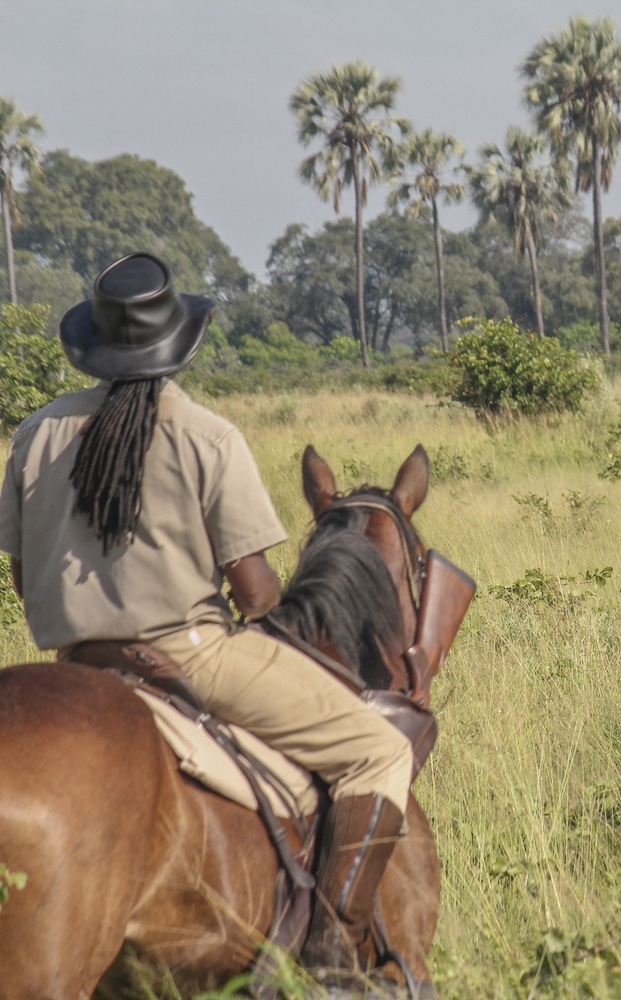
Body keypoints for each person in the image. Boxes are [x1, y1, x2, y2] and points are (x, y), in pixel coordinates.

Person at [0, 252, 412, 988]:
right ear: (177, 342)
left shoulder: (35, 434)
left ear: (94, 343)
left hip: (75, 663)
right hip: (194, 658)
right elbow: (255, 596)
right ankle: (334, 964)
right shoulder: (208, 435)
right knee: (378, 751)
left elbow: (22, 574)